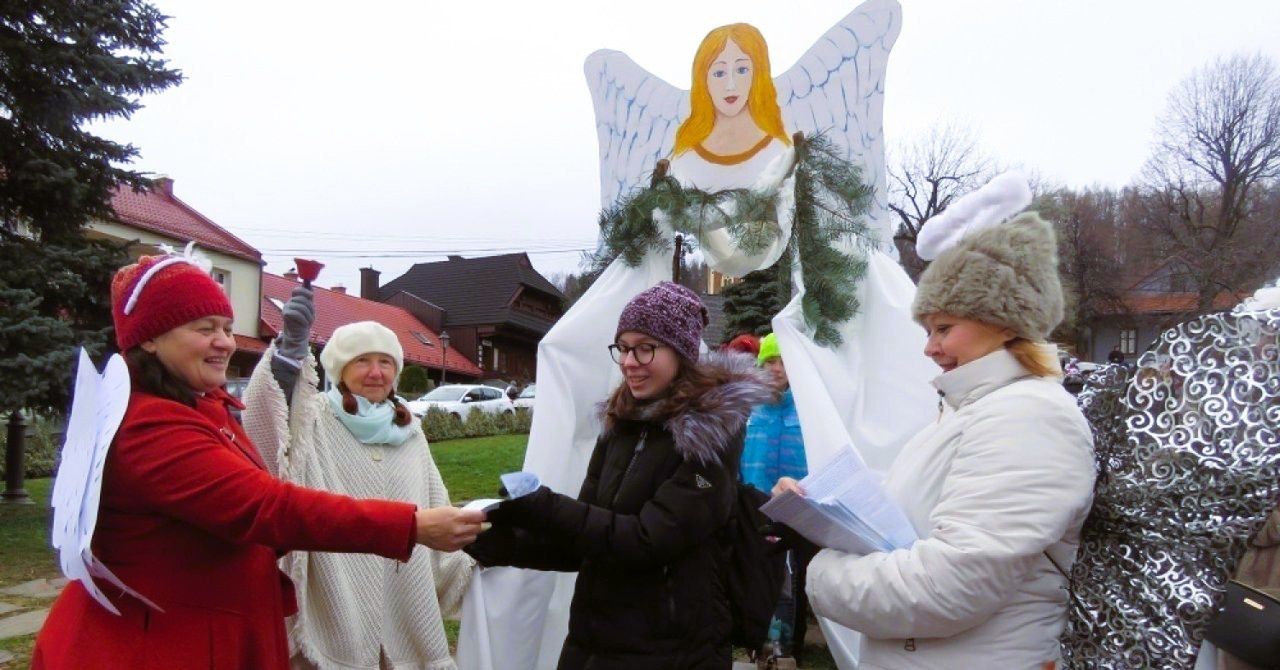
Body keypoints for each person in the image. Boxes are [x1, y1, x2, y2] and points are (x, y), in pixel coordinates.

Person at [32, 250, 485, 670]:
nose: (225, 343)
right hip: (158, 644)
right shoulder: (152, 429)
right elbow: (265, 505)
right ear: (150, 339)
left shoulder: (203, 409)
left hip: (209, 627)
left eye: (227, 328)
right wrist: (411, 526)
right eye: (204, 328)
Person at [785, 206, 1096, 667]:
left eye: (944, 328)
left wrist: (824, 574)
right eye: (928, 330)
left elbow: (950, 588)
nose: (929, 347)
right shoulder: (970, 411)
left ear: (1005, 320)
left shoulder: (1029, 416)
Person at [465, 282, 773, 669]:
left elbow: (646, 539)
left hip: (672, 653)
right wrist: (493, 538)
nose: (629, 361)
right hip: (593, 645)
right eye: (623, 348)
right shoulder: (623, 422)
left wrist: (544, 505)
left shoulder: (710, 437)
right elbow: (586, 540)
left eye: (645, 347)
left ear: (680, 352)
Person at [241, 300, 474, 669]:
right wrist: (289, 353)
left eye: (385, 362)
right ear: (340, 369)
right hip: (335, 604)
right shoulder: (314, 417)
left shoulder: (410, 431)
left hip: (406, 600)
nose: (376, 372)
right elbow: (267, 421)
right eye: (362, 361)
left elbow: (436, 503)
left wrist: (470, 557)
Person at [741, 333, 810, 669]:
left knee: (795, 573)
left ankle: (788, 643)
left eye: (783, 361)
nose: (777, 368)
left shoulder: (808, 407)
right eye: (770, 360)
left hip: (799, 504)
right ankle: (760, 639)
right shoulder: (750, 408)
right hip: (757, 502)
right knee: (762, 569)